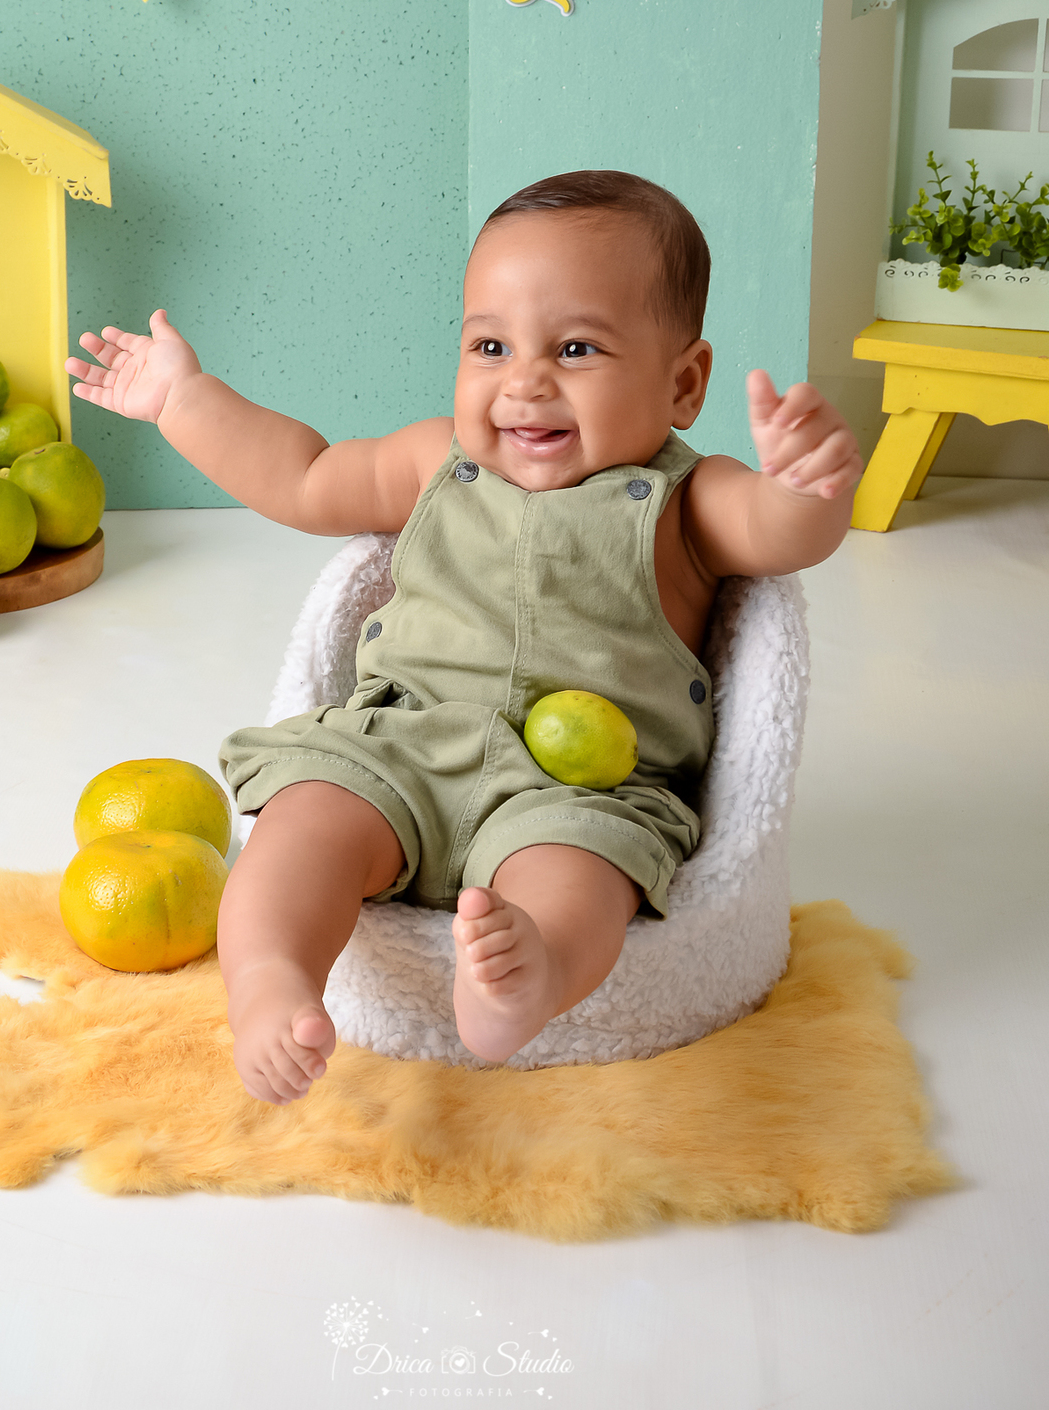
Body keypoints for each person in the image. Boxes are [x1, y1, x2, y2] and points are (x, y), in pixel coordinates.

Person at [66, 170, 861, 1106]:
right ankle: (270, 979)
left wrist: (808, 487)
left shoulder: (690, 499)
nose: (524, 382)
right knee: (300, 827)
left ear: (681, 383)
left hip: (580, 785)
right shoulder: (433, 461)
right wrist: (183, 401)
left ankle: (530, 980)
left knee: (582, 880)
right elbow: (306, 477)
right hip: (401, 742)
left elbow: (782, 534)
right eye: (490, 345)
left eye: (575, 348)